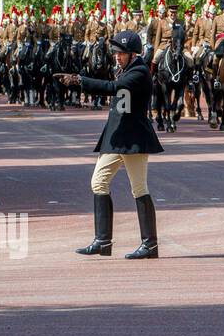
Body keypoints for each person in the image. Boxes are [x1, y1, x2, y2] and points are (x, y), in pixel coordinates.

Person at [55, 30, 164, 259]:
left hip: (133, 139)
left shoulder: (139, 72)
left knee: (139, 188)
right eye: (115, 53)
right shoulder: (125, 70)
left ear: (133, 54)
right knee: (98, 182)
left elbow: (112, 88)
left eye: (121, 53)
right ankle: (102, 241)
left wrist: (79, 80)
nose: (117, 57)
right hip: (117, 138)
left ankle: (150, 244)